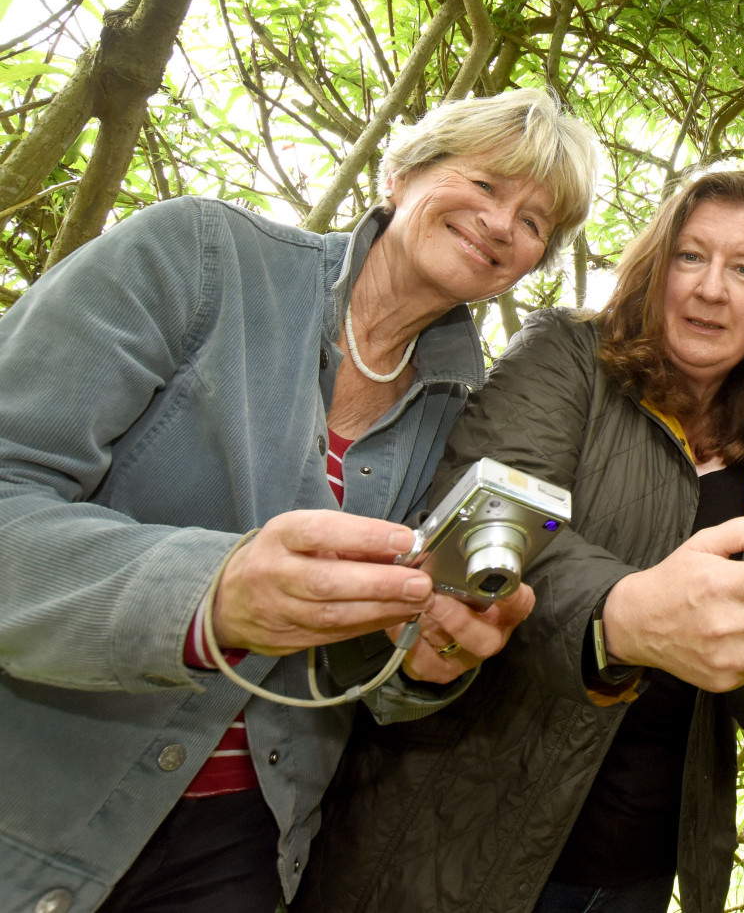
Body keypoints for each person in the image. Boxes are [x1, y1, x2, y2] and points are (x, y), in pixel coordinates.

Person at [0, 87, 599, 913]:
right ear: (401, 175)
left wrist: (424, 664)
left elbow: (358, 674)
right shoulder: (198, 256)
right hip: (35, 804)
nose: (503, 225)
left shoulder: (463, 414)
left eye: (534, 222)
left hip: (246, 848)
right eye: (488, 186)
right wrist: (208, 594)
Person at [298, 168, 744, 913]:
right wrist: (624, 610)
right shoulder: (567, 356)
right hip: (457, 829)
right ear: (657, 268)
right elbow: (492, 530)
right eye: (691, 257)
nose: (711, 288)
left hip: (643, 865)